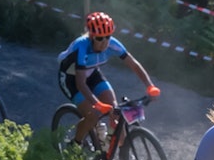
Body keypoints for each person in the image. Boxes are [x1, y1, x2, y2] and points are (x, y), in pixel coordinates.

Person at [58, 12, 159, 149]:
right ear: (92, 36)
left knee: (115, 110)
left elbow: (134, 65)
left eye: (108, 36)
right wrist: (97, 103)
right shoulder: (81, 46)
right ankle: (75, 144)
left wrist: (150, 86)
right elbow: (80, 83)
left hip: (92, 72)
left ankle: (120, 150)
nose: (105, 41)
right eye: (100, 38)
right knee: (93, 114)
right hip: (71, 79)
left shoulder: (113, 44)